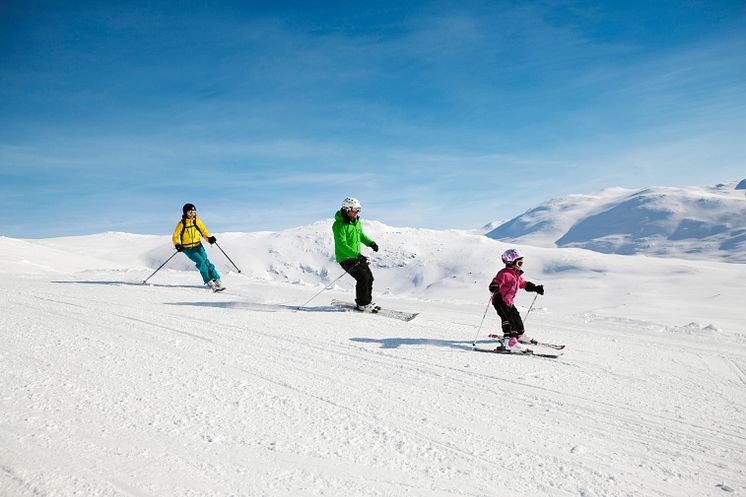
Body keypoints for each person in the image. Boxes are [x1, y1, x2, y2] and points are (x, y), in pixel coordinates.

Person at [489, 248, 544, 351]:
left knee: (516, 318)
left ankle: (520, 335)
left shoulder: (516, 275)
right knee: (508, 319)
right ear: (510, 262)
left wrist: (535, 288)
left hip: (508, 302)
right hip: (500, 300)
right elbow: (496, 281)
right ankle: (509, 342)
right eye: (519, 263)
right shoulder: (504, 273)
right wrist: (494, 285)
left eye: (521, 263)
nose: (521, 265)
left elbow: (524, 284)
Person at [332, 196, 379, 311]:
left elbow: (360, 235)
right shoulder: (339, 225)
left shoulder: (356, 222)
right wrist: (357, 255)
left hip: (356, 256)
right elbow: (341, 245)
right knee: (362, 278)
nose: (357, 212)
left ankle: (367, 301)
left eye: (358, 210)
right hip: (345, 257)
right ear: (347, 210)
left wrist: (370, 243)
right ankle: (362, 304)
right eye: (355, 210)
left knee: (369, 278)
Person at [172, 203, 223, 291]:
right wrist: (177, 245)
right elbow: (175, 237)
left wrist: (209, 239)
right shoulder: (182, 224)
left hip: (198, 246)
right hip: (188, 249)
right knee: (200, 261)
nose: (192, 214)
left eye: (194, 212)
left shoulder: (196, 221)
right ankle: (208, 280)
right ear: (185, 213)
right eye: (190, 212)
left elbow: (204, 232)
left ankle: (216, 279)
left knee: (206, 261)